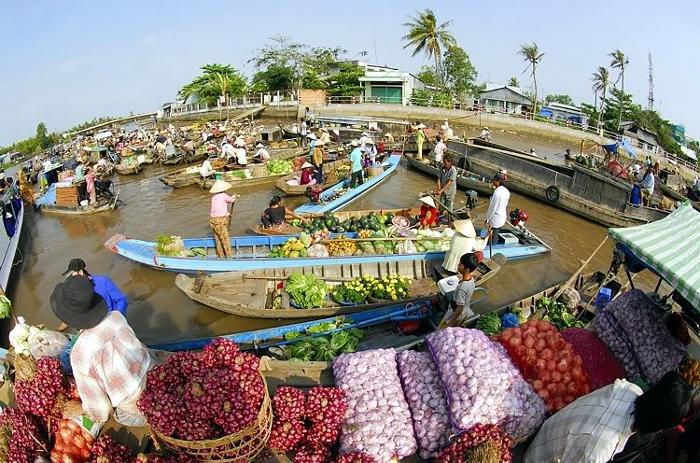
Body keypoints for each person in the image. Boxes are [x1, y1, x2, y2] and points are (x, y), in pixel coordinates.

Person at [525, 371, 691, 463]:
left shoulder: (630, 389)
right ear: (658, 426)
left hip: (549, 437)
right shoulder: (598, 450)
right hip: (537, 457)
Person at [51, 275, 152, 426]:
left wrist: (81, 408)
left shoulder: (80, 353)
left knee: (119, 416)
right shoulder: (116, 317)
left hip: (138, 407)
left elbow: (103, 411)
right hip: (153, 375)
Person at [58, 258, 128, 322]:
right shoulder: (75, 292)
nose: (71, 280)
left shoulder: (103, 282)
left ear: (80, 272)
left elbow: (121, 300)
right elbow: (73, 314)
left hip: (113, 319)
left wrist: (116, 317)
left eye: (72, 276)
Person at [442, 252, 479, 327]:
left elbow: (459, 308)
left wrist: (451, 322)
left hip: (454, 312)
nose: (458, 265)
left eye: (460, 264)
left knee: (442, 330)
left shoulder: (462, 288)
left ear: (467, 269)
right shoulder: (471, 280)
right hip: (465, 309)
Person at [209, 180, 238, 258]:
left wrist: (227, 214)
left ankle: (221, 256)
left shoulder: (214, 197)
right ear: (223, 189)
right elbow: (231, 200)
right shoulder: (223, 195)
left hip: (213, 220)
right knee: (226, 239)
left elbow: (217, 208)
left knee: (218, 239)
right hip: (220, 221)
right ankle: (229, 257)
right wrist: (234, 196)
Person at [485, 173, 510, 245]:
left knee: (493, 237)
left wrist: (487, 219)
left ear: (498, 181)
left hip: (495, 219)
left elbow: (492, 208)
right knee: (495, 234)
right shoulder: (506, 191)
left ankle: (492, 249)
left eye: (494, 180)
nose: (492, 182)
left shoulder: (497, 193)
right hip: (502, 217)